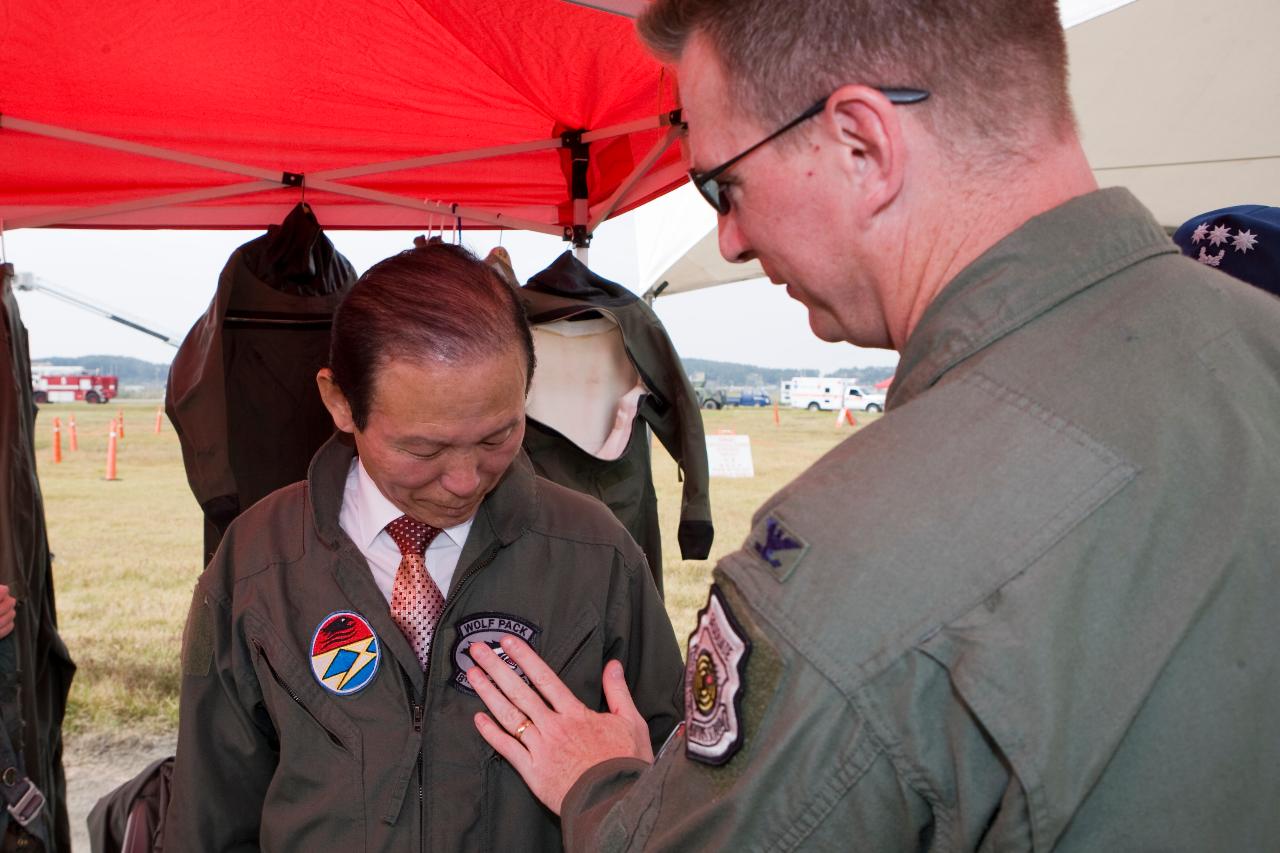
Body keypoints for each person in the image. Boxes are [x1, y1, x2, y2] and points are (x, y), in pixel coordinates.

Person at [463, 0, 1280, 849]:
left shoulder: (855, 556)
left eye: (722, 184)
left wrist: (603, 787)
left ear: (862, 143)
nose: (731, 238)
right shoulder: (1253, 342)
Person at [164, 243, 684, 851]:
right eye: (424, 450)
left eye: (498, 435)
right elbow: (209, 811)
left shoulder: (597, 554)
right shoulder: (256, 560)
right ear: (339, 403)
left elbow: (681, 790)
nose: (465, 480)